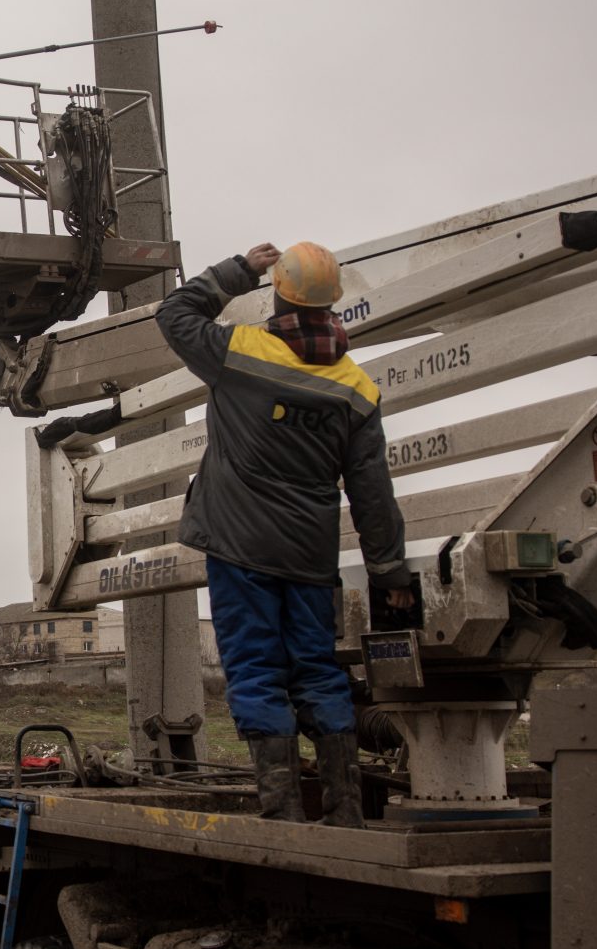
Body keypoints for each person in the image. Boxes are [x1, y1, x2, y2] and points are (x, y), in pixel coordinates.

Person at [155, 241, 414, 827]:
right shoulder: (356, 389)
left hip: (240, 547)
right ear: (334, 305)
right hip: (309, 556)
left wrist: (238, 271)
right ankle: (346, 809)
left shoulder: (238, 353)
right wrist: (389, 573)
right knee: (318, 670)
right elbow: (372, 492)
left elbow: (173, 314)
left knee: (255, 669)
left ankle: (284, 812)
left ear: (279, 294)